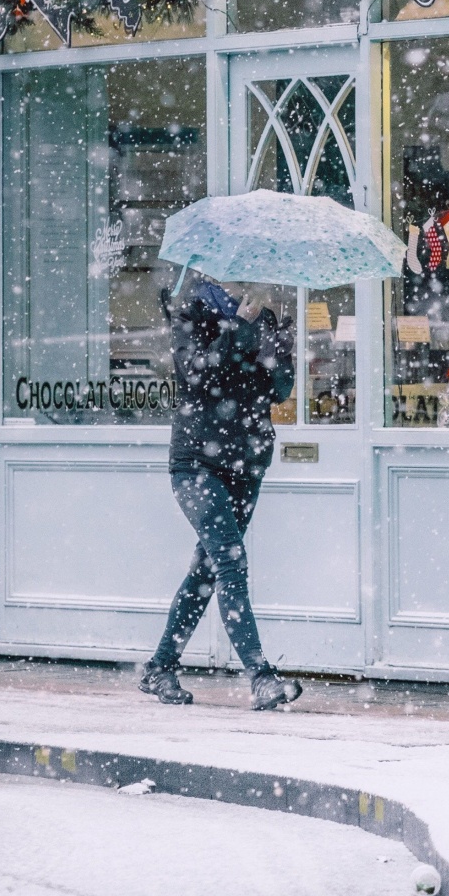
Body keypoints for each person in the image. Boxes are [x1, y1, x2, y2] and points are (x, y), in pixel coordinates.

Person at [141, 275, 302, 710]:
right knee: (231, 562)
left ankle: (160, 667)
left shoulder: (267, 319)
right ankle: (260, 675)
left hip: (246, 462)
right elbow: (197, 376)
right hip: (198, 462)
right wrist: (238, 329)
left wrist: (277, 340)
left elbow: (281, 389)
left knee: (208, 569)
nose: (250, 279)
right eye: (241, 272)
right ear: (216, 273)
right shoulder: (191, 314)